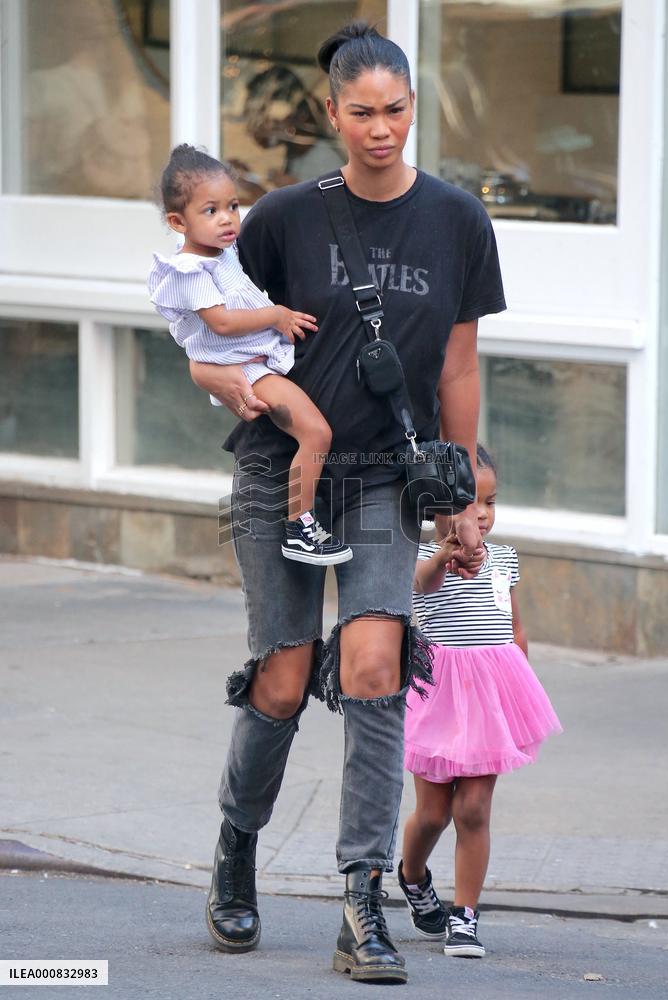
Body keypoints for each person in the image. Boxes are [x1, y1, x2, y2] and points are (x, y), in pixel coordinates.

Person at [189, 22, 506, 985]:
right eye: (361, 112)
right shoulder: (281, 218)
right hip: (281, 477)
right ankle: (238, 847)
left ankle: (360, 899)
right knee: (283, 682)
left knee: (374, 664)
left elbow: (457, 362)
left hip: (382, 479)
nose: (380, 129)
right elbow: (211, 341)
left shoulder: (457, 220)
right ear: (331, 112)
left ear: (418, 106)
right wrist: (243, 391)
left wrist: (462, 491)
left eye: (397, 110)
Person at [148, 144, 352, 566]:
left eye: (233, 206)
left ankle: (301, 522)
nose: (226, 218)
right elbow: (221, 323)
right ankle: (300, 526)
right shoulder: (190, 270)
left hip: (255, 363)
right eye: (210, 211)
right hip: (246, 369)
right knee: (317, 433)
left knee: (315, 432)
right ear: (176, 221)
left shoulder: (221, 256)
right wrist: (275, 315)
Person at [399, 445, 562, 959]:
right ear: (439, 507)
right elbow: (419, 586)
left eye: (490, 502)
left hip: (491, 696)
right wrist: (445, 553)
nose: (482, 515)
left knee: (472, 809)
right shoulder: (429, 557)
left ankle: (465, 915)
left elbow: (514, 630)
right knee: (432, 813)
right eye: (469, 503)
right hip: (438, 694)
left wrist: (521, 686)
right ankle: (412, 873)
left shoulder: (506, 559)